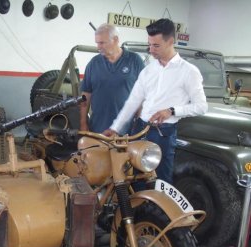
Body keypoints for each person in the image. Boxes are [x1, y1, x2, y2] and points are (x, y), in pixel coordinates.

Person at [103, 18, 208, 184]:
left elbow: (202, 106)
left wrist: (171, 111)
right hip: (139, 130)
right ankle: (136, 210)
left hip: (162, 134)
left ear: (171, 41)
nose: (151, 50)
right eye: (149, 45)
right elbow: (132, 102)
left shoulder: (189, 72)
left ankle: (158, 210)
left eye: (156, 45)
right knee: (135, 178)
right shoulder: (148, 71)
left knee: (160, 181)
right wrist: (115, 128)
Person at [80, 23, 145, 133]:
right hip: (97, 130)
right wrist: (83, 123)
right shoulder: (94, 63)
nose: (98, 47)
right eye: (97, 43)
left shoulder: (135, 61)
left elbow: (143, 95)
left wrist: (140, 124)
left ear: (115, 40)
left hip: (127, 133)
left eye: (102, 43)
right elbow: (85, 95)